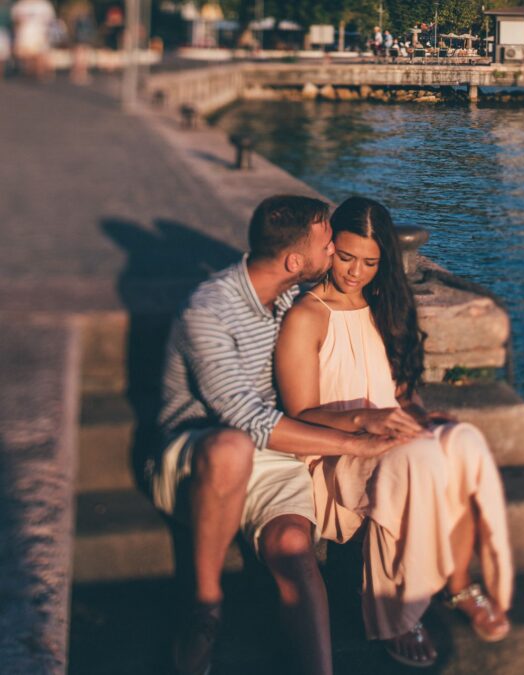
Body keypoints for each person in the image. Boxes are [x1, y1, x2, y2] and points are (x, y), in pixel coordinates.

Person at [152, 195, 417, 675]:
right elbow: (247, 420)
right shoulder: (208, 312)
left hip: (271, 456)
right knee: (232, 446)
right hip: (199, 447)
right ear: (297, 261)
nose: (336, 247)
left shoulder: (290, 297)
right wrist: (357, 438)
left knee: (294, 548)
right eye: (327, 241)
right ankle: (205, 608)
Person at [275, 196, 514, 668]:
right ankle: (394, 616)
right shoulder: (308, 316)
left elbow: (398, 396)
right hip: (335, 453)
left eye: (369, 262)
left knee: (462, 444)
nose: (354, 272)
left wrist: (421, 417)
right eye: (345, 257)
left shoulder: (385, 308)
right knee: (418, 462)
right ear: (328, 248)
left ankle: (459, 584)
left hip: (387, 435)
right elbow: (299, 411)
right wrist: (366, 419)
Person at [10, 0, 54, 81]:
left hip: (40, 33)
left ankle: (40, 74)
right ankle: (29, 73)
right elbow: (15, 21)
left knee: (40, 54)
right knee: (27, 55)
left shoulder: (44, 5)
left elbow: (49, 21)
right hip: (25, 34)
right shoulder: (21, 5)